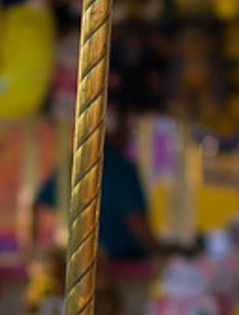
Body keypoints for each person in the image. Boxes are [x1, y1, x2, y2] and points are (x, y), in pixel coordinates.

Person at [30, 111, 156, 262]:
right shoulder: (121, 168)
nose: (129, 132)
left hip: (77, 255)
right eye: (126, 125)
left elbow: (36, 204)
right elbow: (134, 219)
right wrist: (155, 249)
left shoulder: (73, 163)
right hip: (117, 257)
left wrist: (31, 249)